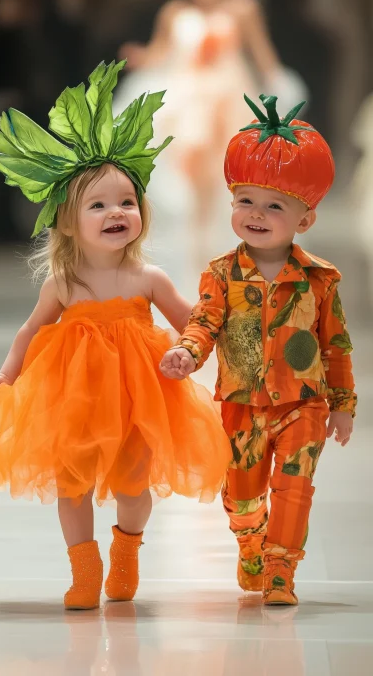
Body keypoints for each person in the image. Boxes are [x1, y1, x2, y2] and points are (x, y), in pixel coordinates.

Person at [0, 60, 231, 611]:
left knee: (134, 482)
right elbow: (30, 330)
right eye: (98, 205)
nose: (116, 212)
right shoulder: (63, 282)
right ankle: (83, 568)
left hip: (139, 394)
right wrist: (7, 372)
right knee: (71, 483)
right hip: (72, 397)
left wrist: (195, 350)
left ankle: (127, 547)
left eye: (126, 202)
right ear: (68, 222)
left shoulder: (149, 278)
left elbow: (194, 318)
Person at [160, 93, 357, 606]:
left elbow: (335, 344)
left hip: (303, 403)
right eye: (245, 200)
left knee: (295, 487)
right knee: (243, 496)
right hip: (241, 404)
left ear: (305, 219)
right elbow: (205, 321)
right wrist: (188, 351)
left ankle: (280, 572)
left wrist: (342, 406)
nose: (257, 214)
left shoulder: (320, 279)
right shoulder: (221, 273)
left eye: (275, 206)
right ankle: (251, 540)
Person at [118, 0, 305, 269]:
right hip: (188, 99)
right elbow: (161, 53)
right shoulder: (174, 12)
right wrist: (140, 57)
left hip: (227, 98)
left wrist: (278, 92)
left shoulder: (242, 8)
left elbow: (262, 53)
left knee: (226, 169)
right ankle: (198, 239)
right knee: (193, 166)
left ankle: (225, 238)